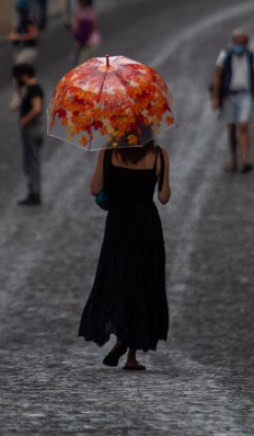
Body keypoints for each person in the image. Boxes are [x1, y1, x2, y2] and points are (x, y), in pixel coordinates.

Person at [79, 141, 171, 371]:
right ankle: (131, 356)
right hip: (146, 224)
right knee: (143, 281)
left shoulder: (109, 152)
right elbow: (164, 197)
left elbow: (94, 188)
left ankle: (122, 335)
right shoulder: (159, 155)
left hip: (119, 223)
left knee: (119, 278)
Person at [210, 29, 254, 173]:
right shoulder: (225, 56)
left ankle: (244, 159)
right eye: (237, 41)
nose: (239, 44)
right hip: (229, 96)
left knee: (243, 126)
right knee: (231, 128)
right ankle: (234, 159)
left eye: (242, 42)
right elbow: (218, 76)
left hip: (245, 95)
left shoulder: (250, 56)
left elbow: (253, 74)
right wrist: (216, 97)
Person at [12, 63, 45, 206]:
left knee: (32, 162)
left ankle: (34, 193)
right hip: (31, 129)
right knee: (30, 161)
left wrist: (24, 120)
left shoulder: (34, 89)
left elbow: (37, 109)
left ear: (24, 75)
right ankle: (33, 191)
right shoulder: (29, 89)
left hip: (32, 129)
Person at [7, 0, 40, 109]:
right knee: (22, 74)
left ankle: (19, 99)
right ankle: (25, 97)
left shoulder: (28, 20)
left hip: (27, 50)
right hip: (20, 49)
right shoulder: (20, 19)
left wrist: (17, 37)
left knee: (19, 73)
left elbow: (34, 34)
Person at [69, 0, 100, 64]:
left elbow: (84, 32)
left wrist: (74, 29)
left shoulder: (85, 13)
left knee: (82, 68)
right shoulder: (87, 11)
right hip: (91, 43)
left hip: (88, 45)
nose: (77, 0)